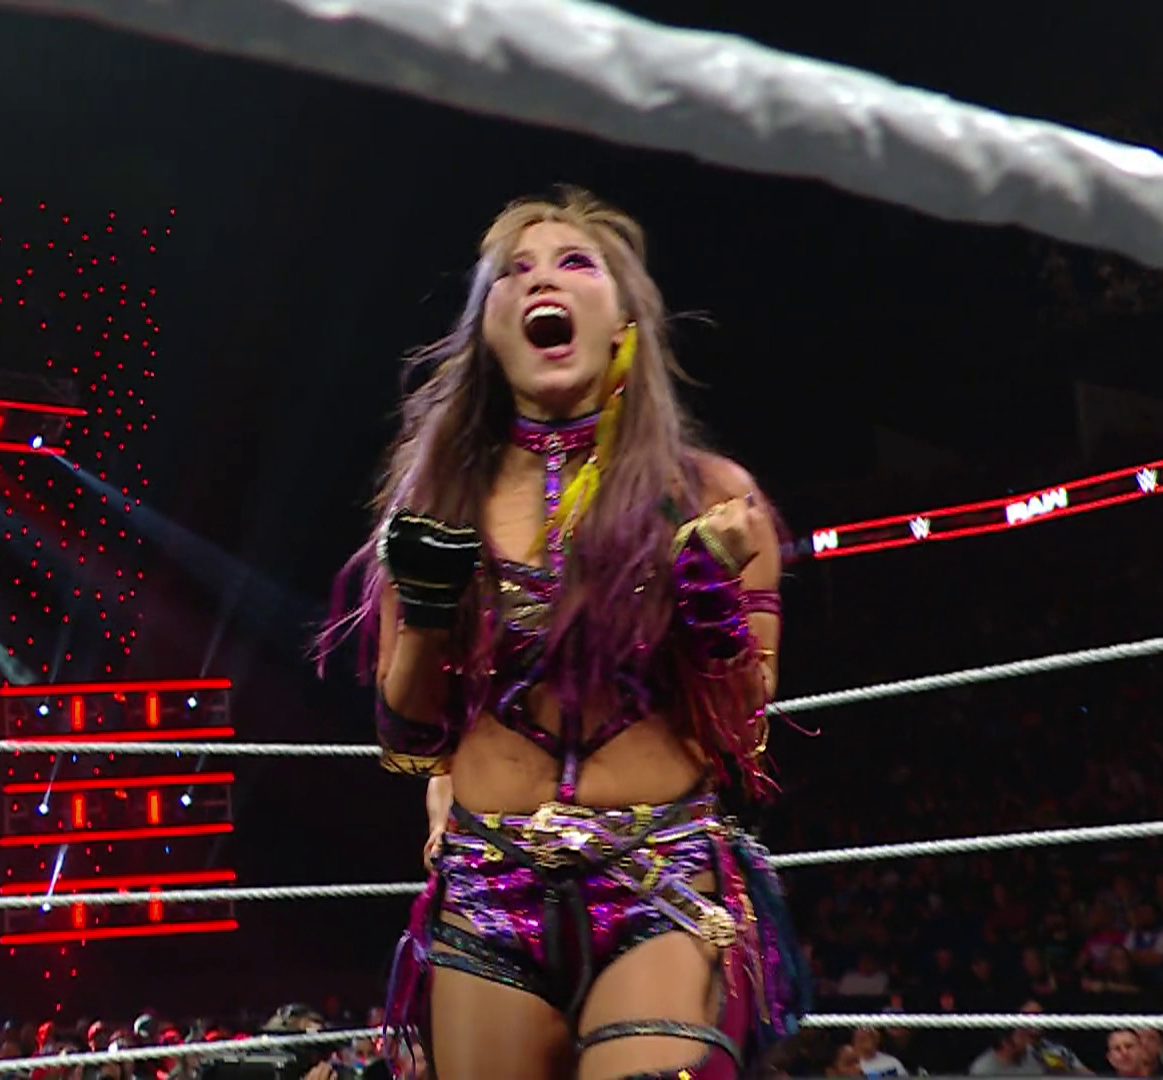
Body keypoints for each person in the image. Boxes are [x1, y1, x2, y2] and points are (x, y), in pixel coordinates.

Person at [321, 187, 806, 1080]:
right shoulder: (437, 503)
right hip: (489, 890)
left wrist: (705, 593)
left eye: (574, 262)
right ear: (487, 328)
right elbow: (408, 738)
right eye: (514, 271)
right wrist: (426, 614)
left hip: (659, 881)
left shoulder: (710, 495)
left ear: (624, 318)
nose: (542, 278)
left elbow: (744, 734)